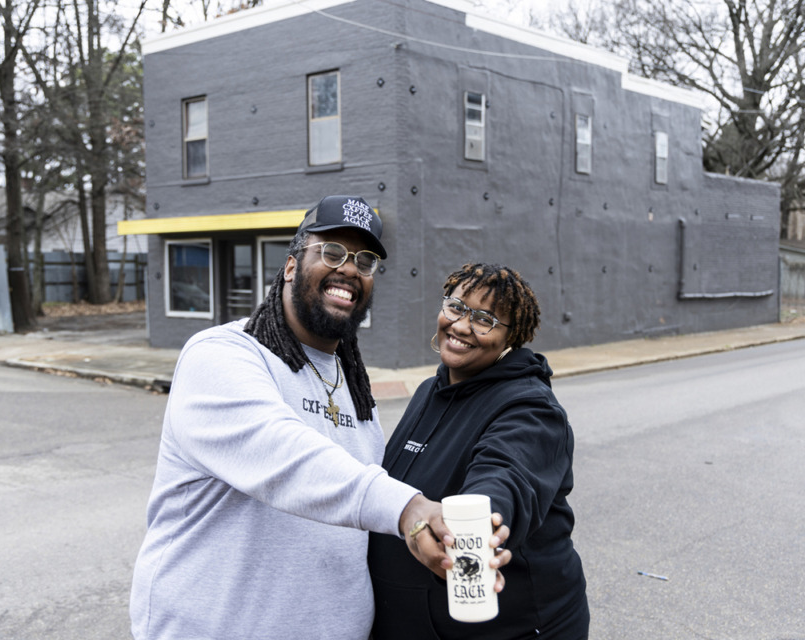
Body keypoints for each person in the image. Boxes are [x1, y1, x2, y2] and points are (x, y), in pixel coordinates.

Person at [130, 196, 509, 640]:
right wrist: (408, 509)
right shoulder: (221, 355)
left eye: (365, 260)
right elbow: (284, 457)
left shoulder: (353, 388)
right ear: (291, 266)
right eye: (331, 252)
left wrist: (443, 538)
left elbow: (354, 513)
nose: (349, 268)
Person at [368, 263, 589, 640]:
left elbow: (506, 475)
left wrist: (481, 526)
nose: (462, 325)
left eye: (485, 318)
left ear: (511, 337)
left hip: (513, 628)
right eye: (455, 307)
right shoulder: (428, 391)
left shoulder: (531, 409)